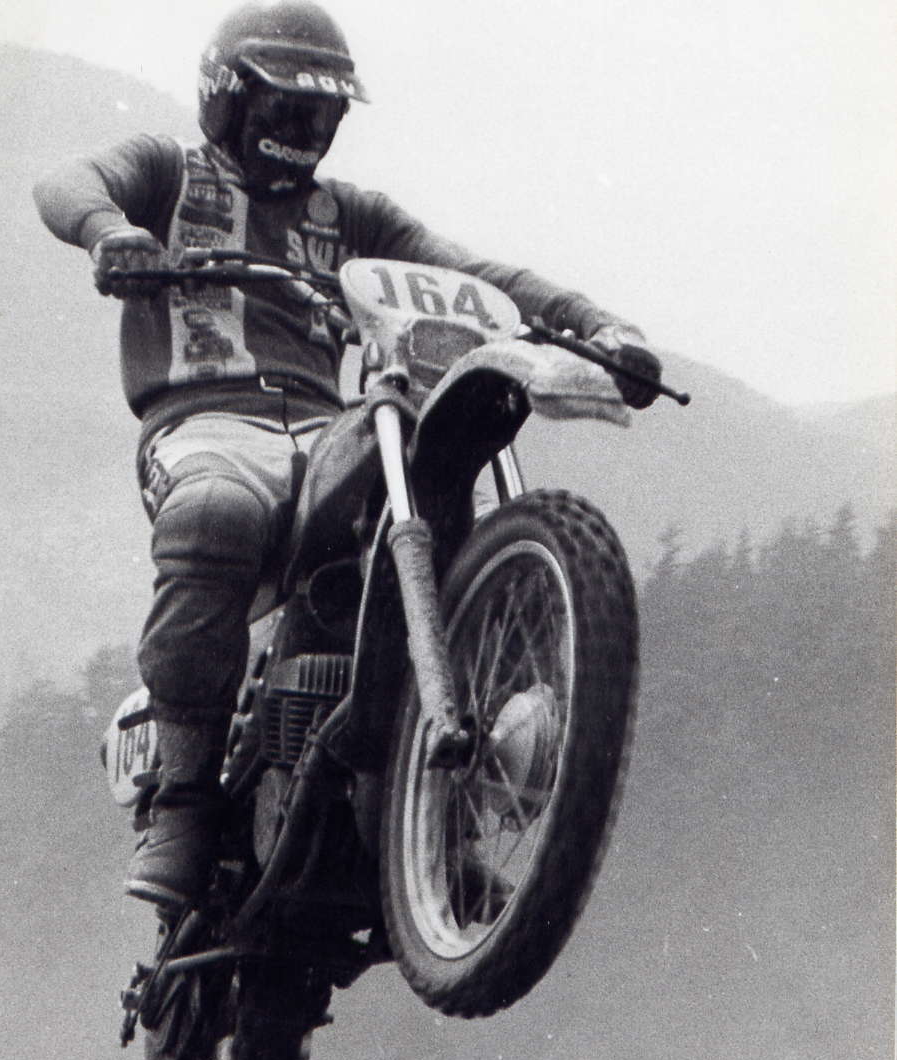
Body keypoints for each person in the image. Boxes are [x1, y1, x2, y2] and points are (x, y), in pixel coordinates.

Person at [33, 0, 663, 916]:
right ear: (228, 97)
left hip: (327, 429)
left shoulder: (353, 215)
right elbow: (69, 180)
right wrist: (108, 230)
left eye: (321, 114)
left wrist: (596, 325)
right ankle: (183, 801)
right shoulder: (169, 171)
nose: (304, 131)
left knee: (435, 508)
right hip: (205, 422)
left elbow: (470, 273)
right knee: (216, 512)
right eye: (286, 108)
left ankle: (440, 813)